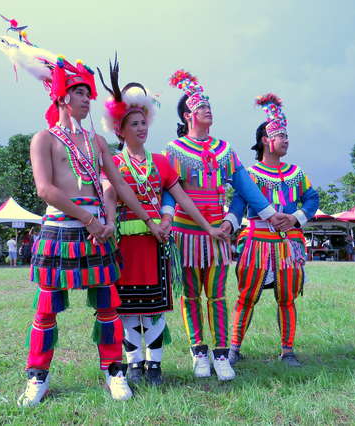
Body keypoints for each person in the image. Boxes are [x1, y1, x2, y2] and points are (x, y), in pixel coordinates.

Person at [0, 24, 165, 406]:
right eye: (80, 92)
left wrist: (122, 218)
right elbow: (45, 189)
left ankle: (114, 372)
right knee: (46, 308)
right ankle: (37, 377)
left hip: (98, 230)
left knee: (108, 305)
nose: (86, 99)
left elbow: (118, 186)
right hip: (62, 227)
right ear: (63, 97)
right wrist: (89, 220)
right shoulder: (43, 138)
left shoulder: (96, 141)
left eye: (87, 92)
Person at [99, 58, 228, 385]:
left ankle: (155, 365)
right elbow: (107, 195)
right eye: (134, 124)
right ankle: (134, 363)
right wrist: (107, 222)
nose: (141, 128)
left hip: (156, 244)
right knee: (128, 309)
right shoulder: (113, 163)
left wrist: (207, 226)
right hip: (125, 246)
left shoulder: (160, 162)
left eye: (144, 122)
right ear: (120, 130)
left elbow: (183, 197)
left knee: (154, 306)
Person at [162, 71, 287, 381]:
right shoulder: (174, 151)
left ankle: (220, 354)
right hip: (186, 234)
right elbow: (167, 191)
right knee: (190, 295)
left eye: (210, 105)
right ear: (188, 114)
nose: (208, 109)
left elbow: (244, 188)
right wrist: (164, 221)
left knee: (217, 294)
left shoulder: (224, 150)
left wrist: (239, 219)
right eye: (202, 105)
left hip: (219, 233)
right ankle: (198, 351)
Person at [225, 93, 319, 367]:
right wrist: (227, 224)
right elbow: (237, 204)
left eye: (287, 135)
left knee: (287, 298)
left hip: (288, 243)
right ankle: (233, 348)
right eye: (281, 136)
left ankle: (287, 351)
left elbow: (312, 198)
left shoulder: (296, 173)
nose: (287, 140)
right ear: (266, 140)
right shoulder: (250, 175)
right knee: (247, 296)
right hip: (256, 242)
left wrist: (296, 218)